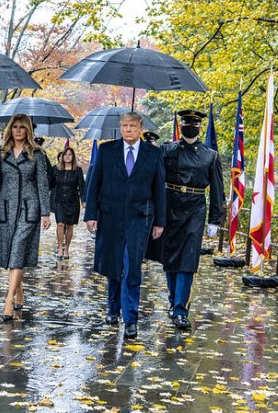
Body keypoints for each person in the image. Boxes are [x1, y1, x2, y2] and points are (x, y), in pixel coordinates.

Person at [84, 111, 166, 339]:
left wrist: (160, 221)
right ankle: (112, 308)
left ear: (140, 128)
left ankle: (130, 318)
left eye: (132, 126)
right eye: (124, 126)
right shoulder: (106, 150)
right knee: (113, 265)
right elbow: (94, 183)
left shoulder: (153, 154)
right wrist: (91, 214)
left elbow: (159, 188)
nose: (128, 130)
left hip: (140, 219)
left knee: (131, 267)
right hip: (110, 216)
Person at [146, 109, 225, 329]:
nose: (190, 126)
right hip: (170, 207)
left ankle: (182, 310)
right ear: (180, 126)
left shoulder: (210, 155)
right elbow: (154, 177)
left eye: (194, 123)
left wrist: (215, 219)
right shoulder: (167, 150)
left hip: (195, 210)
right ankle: (173, 302)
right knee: (170, 260)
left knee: (187, 262)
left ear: (199, 127)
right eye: (186, 123)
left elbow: (218, 188)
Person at [0, 114, 51, 320]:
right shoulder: (1, 153)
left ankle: (8, 301)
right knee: (10, 252)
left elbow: (42, 184)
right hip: (7, 207)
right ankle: (19, 291)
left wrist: (45, 212)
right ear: (10, 129)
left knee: (18, 249)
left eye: (22, 127)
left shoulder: (36, 153)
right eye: (15, 127)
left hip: (29, 208)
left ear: (28, 130)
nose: (18, 130)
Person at [51, 147, 86, 259]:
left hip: (73, 201)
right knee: (60, 224)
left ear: (73, 157)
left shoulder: (78, 170)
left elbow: (82, 186)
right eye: (65, 154)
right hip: (59, 200)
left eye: (70, 154)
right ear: (62, 156)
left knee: (70, 226)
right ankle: (60, 247)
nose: (67, 156)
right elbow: (49, 183)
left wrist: (83, 201)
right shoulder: (56, 169)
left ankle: (67, 248)